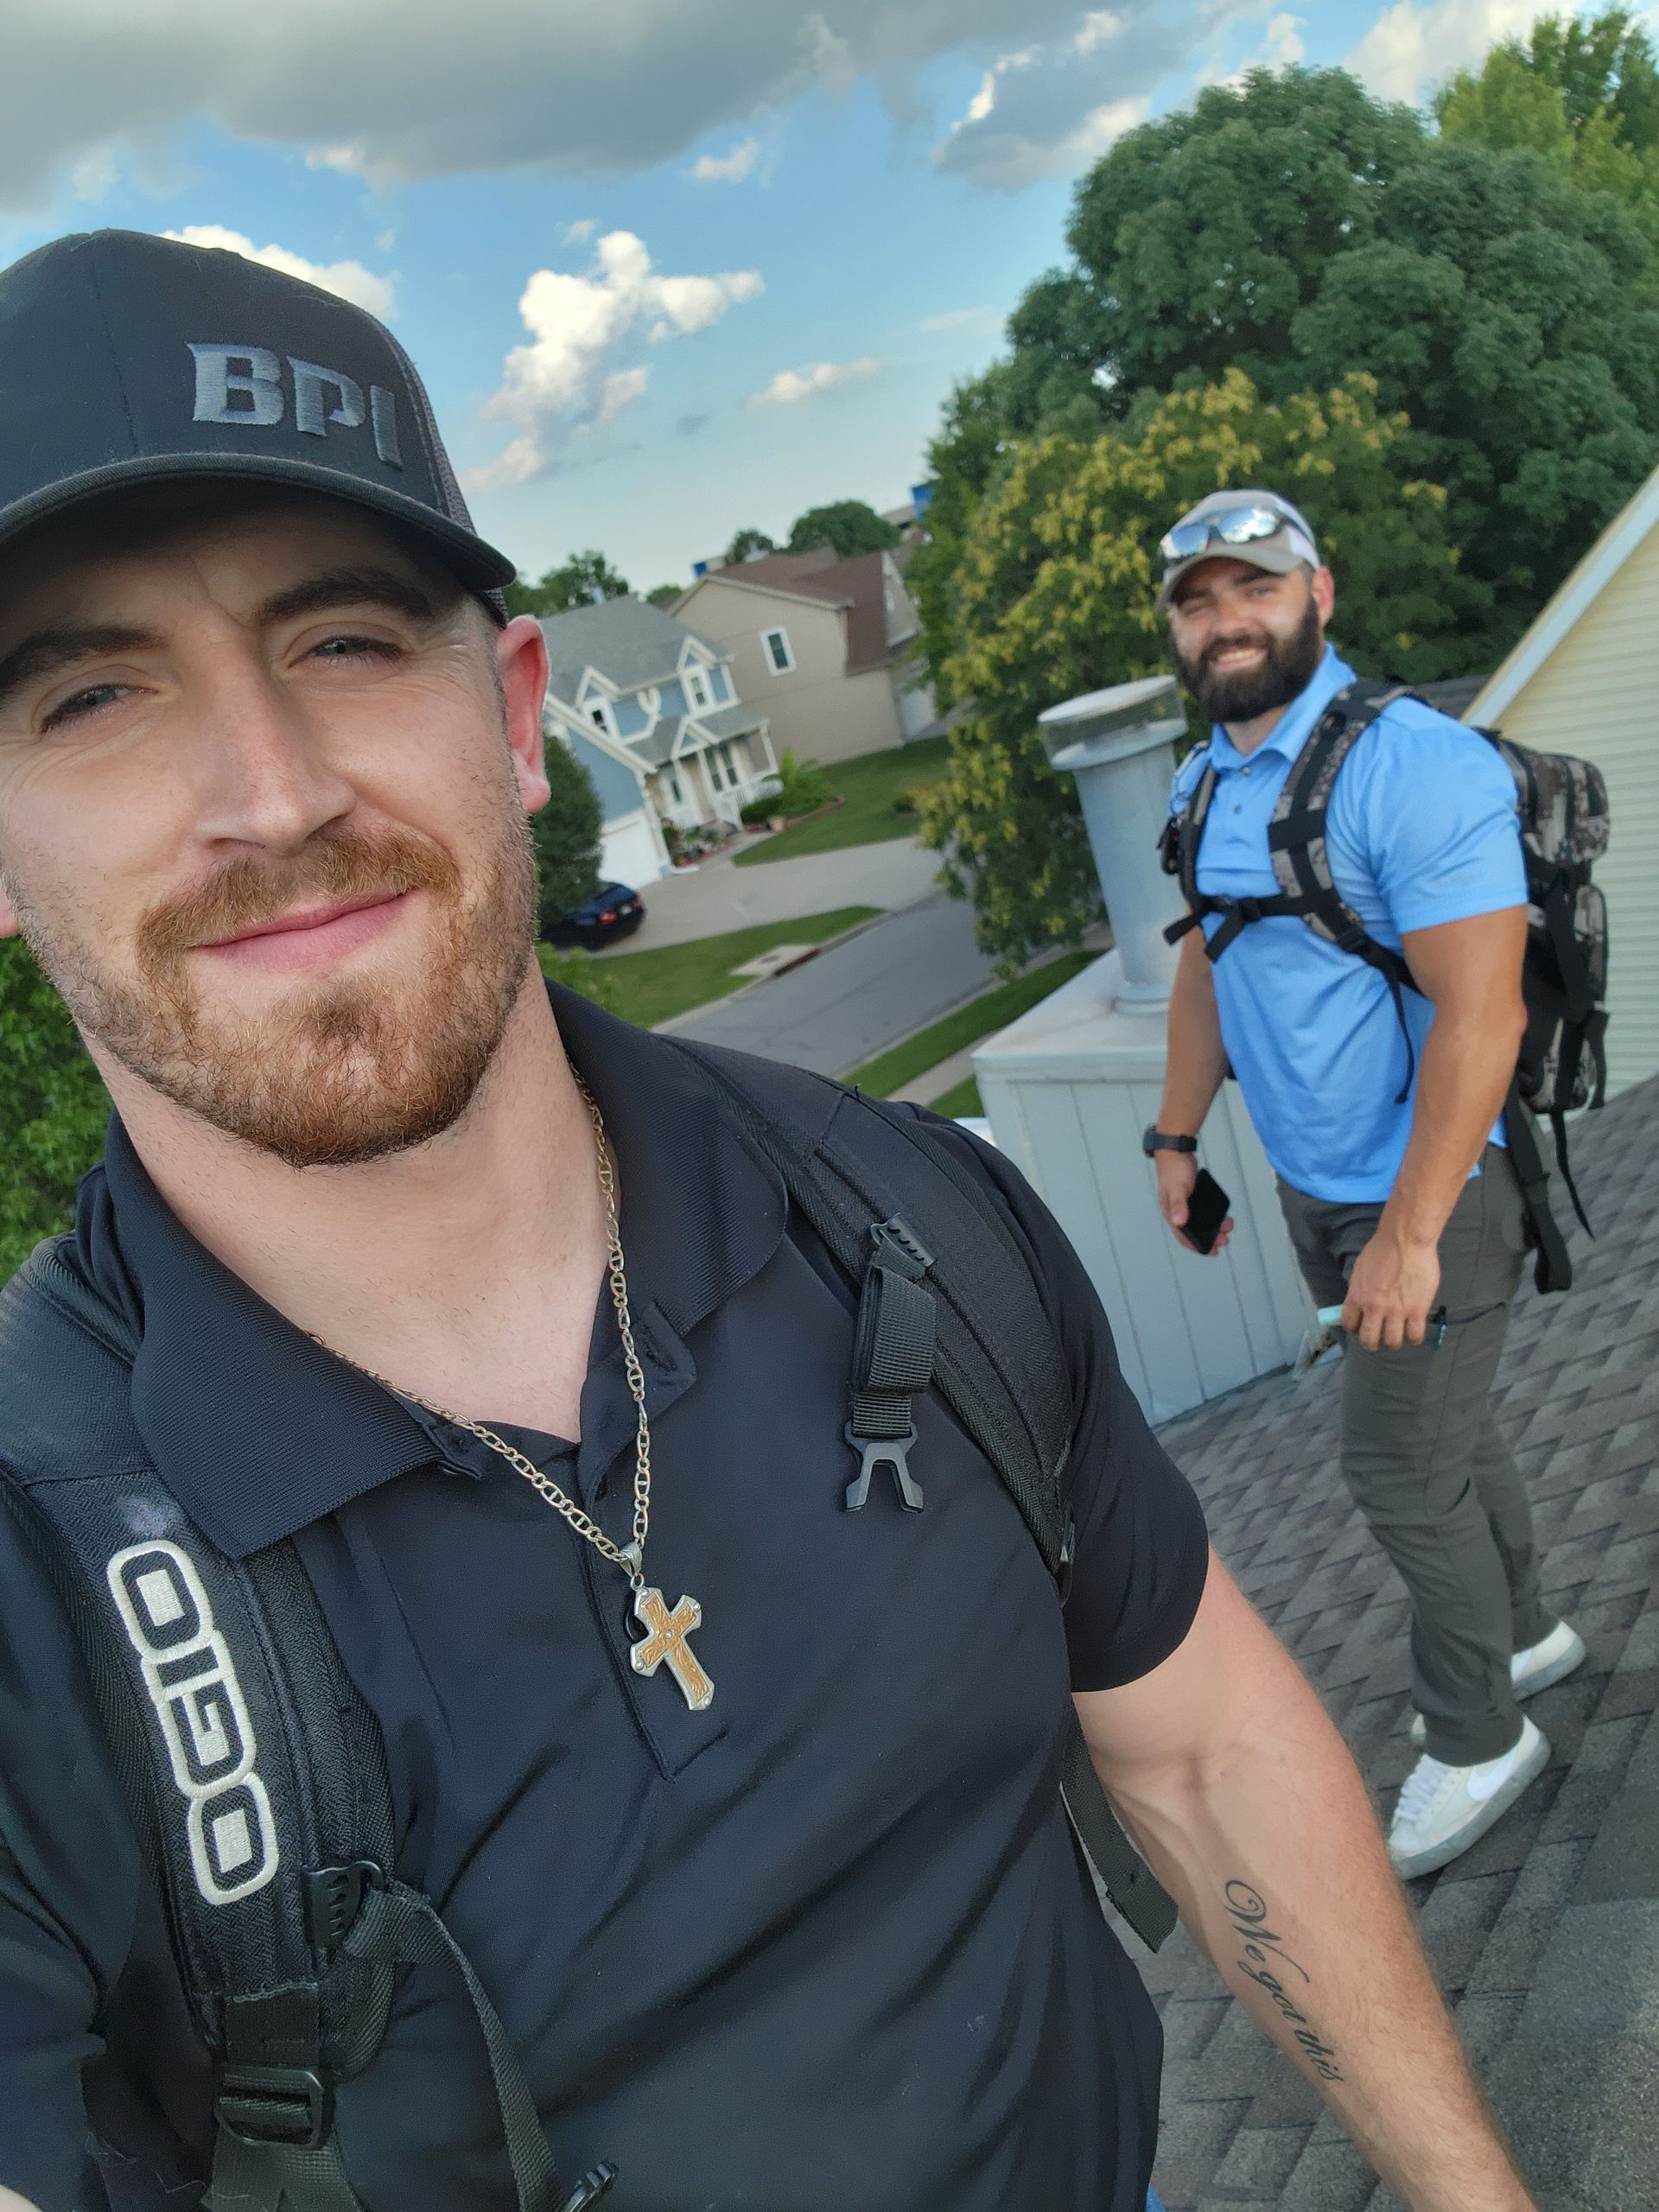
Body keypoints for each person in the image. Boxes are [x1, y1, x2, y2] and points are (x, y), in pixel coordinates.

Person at [0, 232, 1541, 2212]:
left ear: (522, 710)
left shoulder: (913, 1219)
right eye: (97, 692)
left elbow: (1203, 1744)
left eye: (348, 638)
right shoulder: (38, 1591)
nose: (269, 790)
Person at [1150, 487, 1586, 1881]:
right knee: (1447, 1438)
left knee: (1394, 1469)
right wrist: (1175, 1141)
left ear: (1319, 596)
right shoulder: (1202, 782)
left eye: (1255, 590)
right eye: (1200, 599)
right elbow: (1211, 960)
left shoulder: (1417, 766)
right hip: (1314, 1194)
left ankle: (1478, 1739)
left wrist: (1409, 1237)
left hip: (1436, 1192)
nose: (1227, 621)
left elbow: (1485, 1017)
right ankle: (1525, 1635)